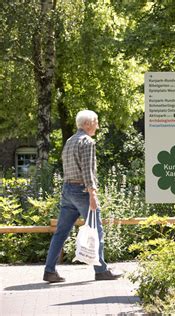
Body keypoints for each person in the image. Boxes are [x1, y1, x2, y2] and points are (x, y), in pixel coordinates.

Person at [43, 110, 122, 283]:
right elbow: (87, 170)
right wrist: (92, 193)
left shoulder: (70, 141)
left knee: (61, 233)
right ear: (87, 124)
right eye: (96, 122)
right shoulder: (87, 141)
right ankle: (101, 270)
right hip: (82, 192)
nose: (98, 125)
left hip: (68, 190)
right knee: (96, 229)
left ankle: (49, 271)